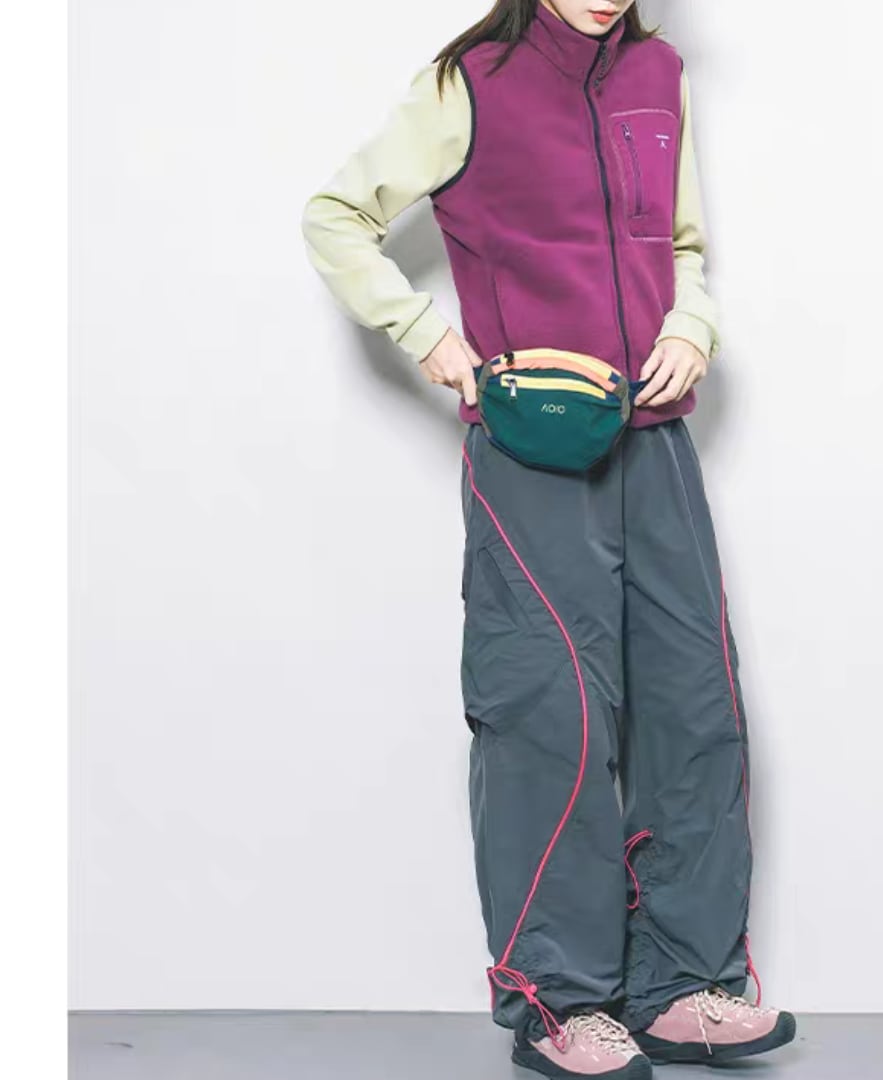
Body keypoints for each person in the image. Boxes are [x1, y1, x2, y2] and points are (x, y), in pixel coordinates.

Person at [300, 2, 796, 1076]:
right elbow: (336, 214)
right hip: (532, 443)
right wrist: (425, 332)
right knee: (550, 715)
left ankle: (682, 985)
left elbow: (680, 244)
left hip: (654, 437)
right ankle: (560, 1001)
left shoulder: (658, 74)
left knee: (695, 707)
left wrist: (691, 323)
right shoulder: (469, 80)